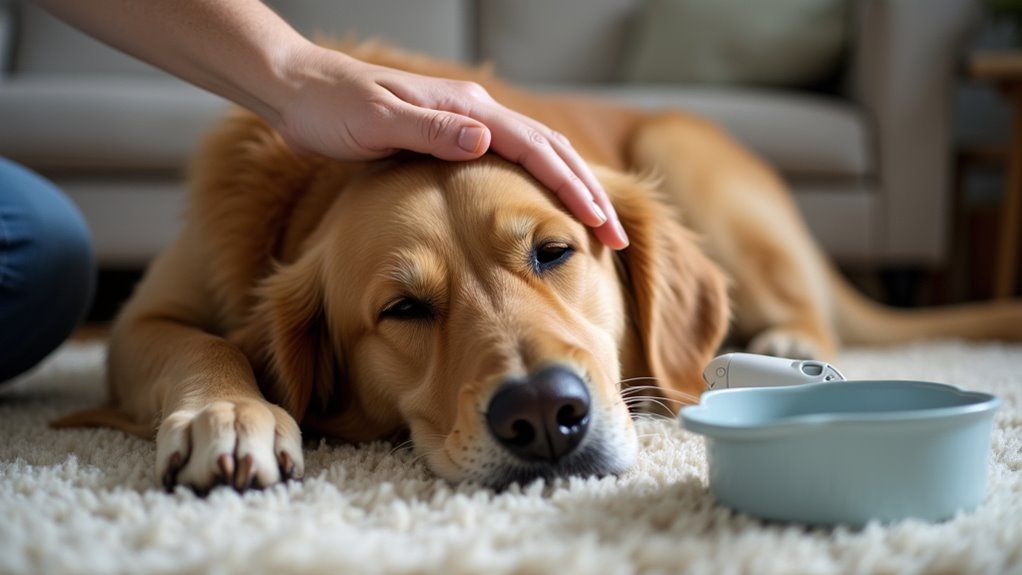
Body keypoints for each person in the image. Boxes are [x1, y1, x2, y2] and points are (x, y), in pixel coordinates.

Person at [0, 0, 629, 384]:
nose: (535, 386)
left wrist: (298, 81)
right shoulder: (258, 245)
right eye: (406, 307)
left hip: (650, 146)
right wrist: (218, 387)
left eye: (551, 254)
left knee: (39, 255)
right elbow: (150, 332)